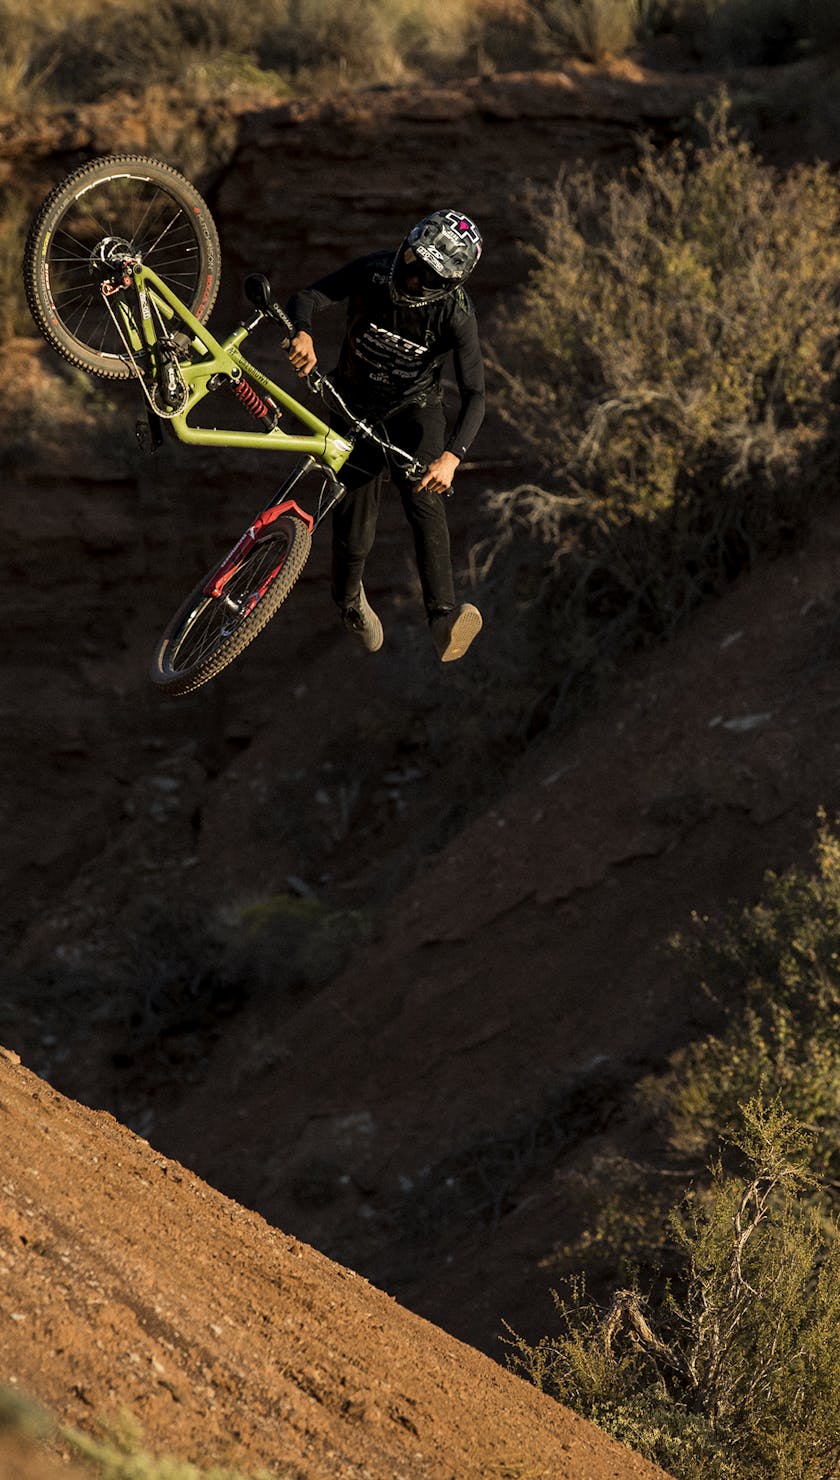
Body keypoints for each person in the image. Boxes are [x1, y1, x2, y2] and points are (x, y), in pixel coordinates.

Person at [285, 210, 485, 662]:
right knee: (354, 523)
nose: (413, 278)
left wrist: (453, 456)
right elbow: (309, 296)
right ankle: (350, 601)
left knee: (424, 498)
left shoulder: (456, 314)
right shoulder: (374, 270)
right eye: (413, 260)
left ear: (449, 284)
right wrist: (303, 331)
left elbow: (475, 395)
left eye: (428, 277)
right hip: (351, 400)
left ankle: (443, 618)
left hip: (413, 410)